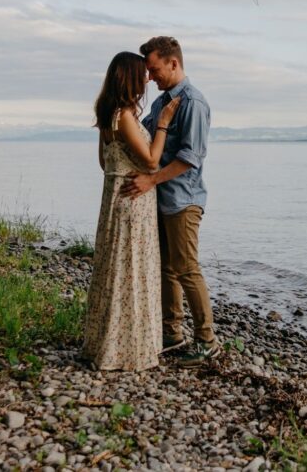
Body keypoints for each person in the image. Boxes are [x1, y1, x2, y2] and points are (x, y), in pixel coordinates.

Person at [122, 36, 220, 367]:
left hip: (183, 199)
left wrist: (150, 180)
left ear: (173, 63)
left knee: (187, 268)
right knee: (167, 269)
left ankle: (207, 340)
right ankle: (172, 333)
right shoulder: (160, 104)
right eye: (148, 72)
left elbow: (189, 158)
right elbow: (148, 142)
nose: (150, 77)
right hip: (160, 198)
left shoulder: (193, 103)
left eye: (154, 69)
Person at [81, 51, 179, 371]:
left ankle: (104, 343)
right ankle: (128, 349)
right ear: (129, 78)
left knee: (116, 270)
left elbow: (101, 163)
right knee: (132, 271)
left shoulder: (107, 112)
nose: (147, 80)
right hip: (132, 202)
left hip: (113, 197)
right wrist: (162, 124)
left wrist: (121, 170)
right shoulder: (124, 115)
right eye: (142, 75)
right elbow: (151, 160)